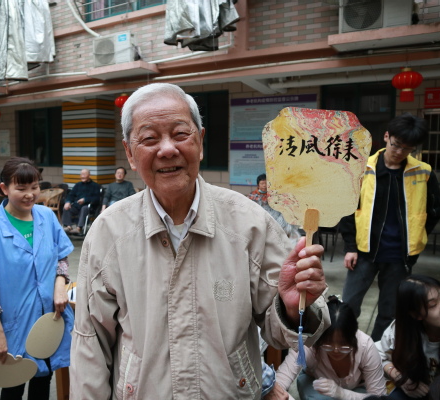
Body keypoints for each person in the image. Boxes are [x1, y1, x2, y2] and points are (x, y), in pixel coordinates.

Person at [69, 82, 330, 398]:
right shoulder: (108, 233)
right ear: (130, 154)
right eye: (149, 138)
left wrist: (292, 308)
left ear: (201, 141)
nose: (168, 149)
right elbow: (90, 344)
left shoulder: (250, 224)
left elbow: (286, 333)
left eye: (180, 134)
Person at [0, 157, 74, 400]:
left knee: (43, 380)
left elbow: (61, 255)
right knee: (13, 386)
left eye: (34, 187)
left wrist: (60, 285)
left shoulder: (46, 217)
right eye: (21, 188)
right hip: (12, 325)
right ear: (4, 188)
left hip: (47, 320)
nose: (30, 194)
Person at [340, 114, 440, 341]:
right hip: (364, 252)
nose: (399, 152)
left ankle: (377, 352)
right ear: (386, 136)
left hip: (399, 256)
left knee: (391, 311)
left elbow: (433, 211)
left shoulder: (423, 172)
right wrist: (350, 246)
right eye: (396, 144)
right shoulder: (362, 168)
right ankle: (345, 347)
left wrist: (416, 239)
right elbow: (347, 209)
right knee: (348, 305)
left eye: (408, 148)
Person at [273, 296, 386, 400]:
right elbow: (279, 383)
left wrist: (341, 393)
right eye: (328, 344)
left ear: (353, 337)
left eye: (343, 345)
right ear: (319, 336)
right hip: (316, 385)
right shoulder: (310, 342)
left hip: (357, 389)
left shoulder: (365, 346)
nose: (336, 350)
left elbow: (379, 396)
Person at [375, 275, 440, 400]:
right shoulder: (399, 331)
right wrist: (400, 377)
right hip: (416, 392)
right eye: (432, 305)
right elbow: (376, 354)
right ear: (416, 314)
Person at [62, 168, 101, 235]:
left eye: (84, 174)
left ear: (89, 175)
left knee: (84, 208)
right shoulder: (78, 185)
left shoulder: (95, 186)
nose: (82, 176)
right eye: (81, 174)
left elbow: (97, 198)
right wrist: (68, 202)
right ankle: (68, 227)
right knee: (66, 208)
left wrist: (85, 200)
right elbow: (71, 195)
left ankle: (79, 228)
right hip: (77, 206)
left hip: (89, 207)